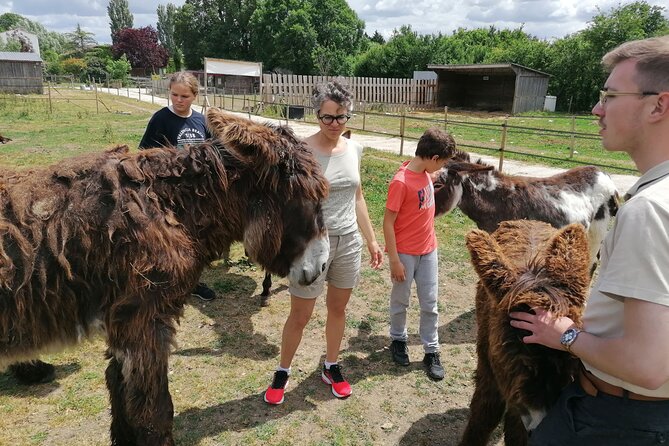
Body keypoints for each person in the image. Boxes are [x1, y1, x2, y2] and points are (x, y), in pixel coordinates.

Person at [509, 35, 669, 445]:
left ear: (659, 105)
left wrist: (564, 334)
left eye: (611, 95)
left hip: (616, 416)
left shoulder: (649, 209)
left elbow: (649, 366)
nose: (597, 108)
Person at [263, 80, 384, 405]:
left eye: (341, 117)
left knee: (338, 309)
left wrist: (371, 240)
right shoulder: (301, 151)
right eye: (327, 117)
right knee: (300, 315)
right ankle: (283, 370)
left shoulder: (354, 149)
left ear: (349, 115)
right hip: (312, 244)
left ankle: (331, 365)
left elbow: (357, 196)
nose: (334, 124)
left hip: (348, 243)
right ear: (315, 114)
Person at [139, 71, 216, 302]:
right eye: (174, 95)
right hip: (168, 191)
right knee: (170, 237)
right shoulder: (160, 119)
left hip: (196, 191)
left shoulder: (201, 121)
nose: (179, 100)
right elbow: (144, 155)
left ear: (194, 96)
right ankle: (167, 279)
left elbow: (211, 151)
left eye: (184, 96)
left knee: (196, 237)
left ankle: (192, 281)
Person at [384, 128, 454, 380]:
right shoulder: (401, 183)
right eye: (443, 161)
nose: (442, 166)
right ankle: (398, 339)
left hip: (429, 250)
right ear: (433, 157)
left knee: (430, 303)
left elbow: (430, 176)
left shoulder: (426, 172)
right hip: (405, 254)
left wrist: (438, 175)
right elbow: (388, 223)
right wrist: (394, 260)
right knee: (401, 300)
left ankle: (431, 349)